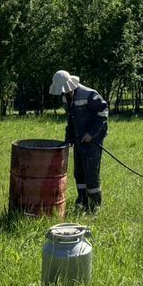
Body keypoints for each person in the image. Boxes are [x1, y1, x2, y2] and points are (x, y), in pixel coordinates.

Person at [49, 70, 109, 211]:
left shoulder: (89, 94)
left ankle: (95, 206)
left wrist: (91, 133)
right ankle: (82, 201)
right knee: (79, 172)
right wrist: (68, 139)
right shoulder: (65, 98)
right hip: (78, 139)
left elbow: (103, 111)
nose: (65, 92)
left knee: (91, 172)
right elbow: (71, 119)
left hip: (92, 140)